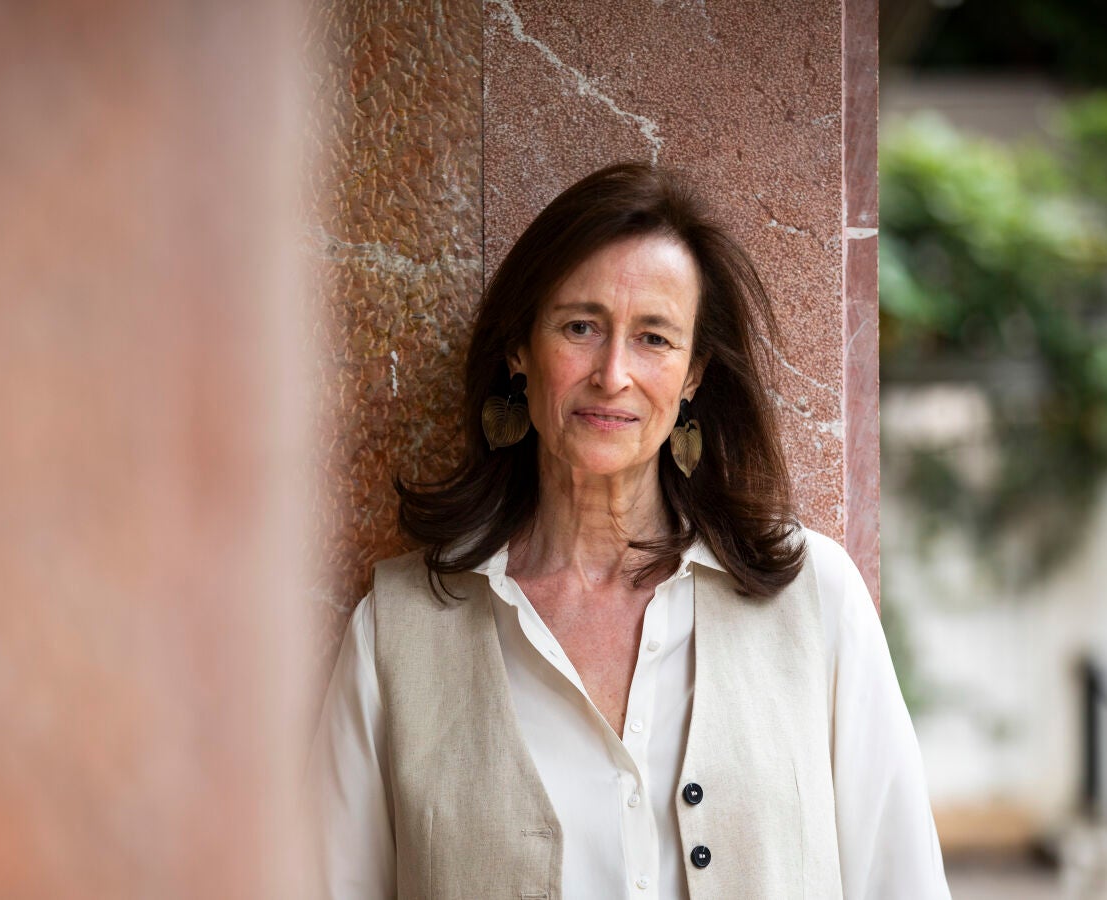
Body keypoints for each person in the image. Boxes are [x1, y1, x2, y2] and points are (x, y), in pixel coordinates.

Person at [308, 162, 950, 899]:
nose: (613, 374)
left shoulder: (815, 599)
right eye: (580, 327)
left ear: (693, 375)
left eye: (654, 338)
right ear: (519, 349)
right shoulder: (396, 635)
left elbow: (901, 882)